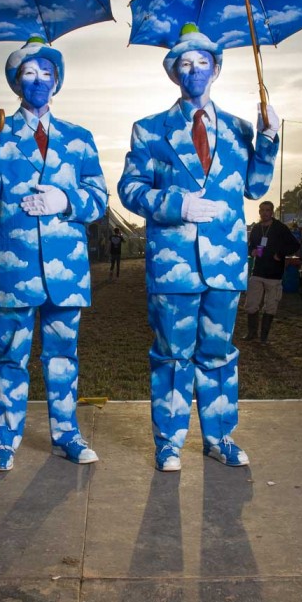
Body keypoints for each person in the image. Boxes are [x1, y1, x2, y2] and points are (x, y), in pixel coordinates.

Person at [118, 23, 279, 472]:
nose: (193, 70)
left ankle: (219, 437)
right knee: (172, 354)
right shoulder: (150, 130)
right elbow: (129, 190)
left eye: (202, 62)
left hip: (225, 263)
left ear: (216, 68)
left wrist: (267, 142)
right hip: (174, 266)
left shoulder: (238, 129)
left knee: (219, 352)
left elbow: (255, 187)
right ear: (173, 72)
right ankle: (168, 443)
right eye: (184, 64)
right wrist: (178, 204)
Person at [0, 34, 108, 472]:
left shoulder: (79, 138)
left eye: (46, 73)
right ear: (14, 81)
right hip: (15, 269)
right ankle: (5, 439)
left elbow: (100, 197)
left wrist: (65, 200)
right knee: (9, 354)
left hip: (66, 272)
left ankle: (66, 434)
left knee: (63, 355)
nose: (37, 80)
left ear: (57, 81)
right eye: (28, 73)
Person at [243, 201, 300, 343]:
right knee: (251, 303)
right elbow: (250, 246)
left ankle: (264, 337)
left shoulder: (280, 228)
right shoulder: (256, 228)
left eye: (267, 210)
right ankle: (252, 333)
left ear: (272, 212)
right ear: (259, 211)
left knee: (271, 305)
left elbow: (295, 245)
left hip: (274, 273)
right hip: (257, 271)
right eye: (262, 210)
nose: (264, 213)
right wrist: (252, 251)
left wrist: (280, 254)